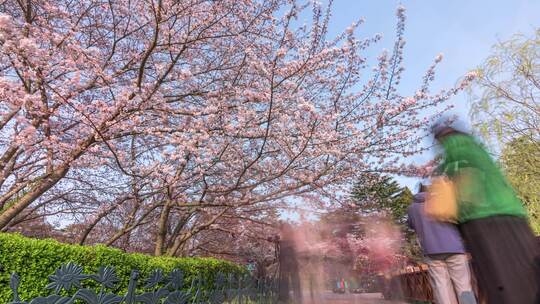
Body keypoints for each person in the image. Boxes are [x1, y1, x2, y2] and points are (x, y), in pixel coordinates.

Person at [433, 123, 540, 304]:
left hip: (483, 223)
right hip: (514, 216)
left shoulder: (455, 157)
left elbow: (468, 194)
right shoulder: (478, 151)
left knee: (502, 278)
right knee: (528, 274)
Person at [408, 182, 477, 304]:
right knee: (463, 286)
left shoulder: (412, 208)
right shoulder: (441, 201)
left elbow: (411, 225)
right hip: (454, 247)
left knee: (441, 287)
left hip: (431, 251)